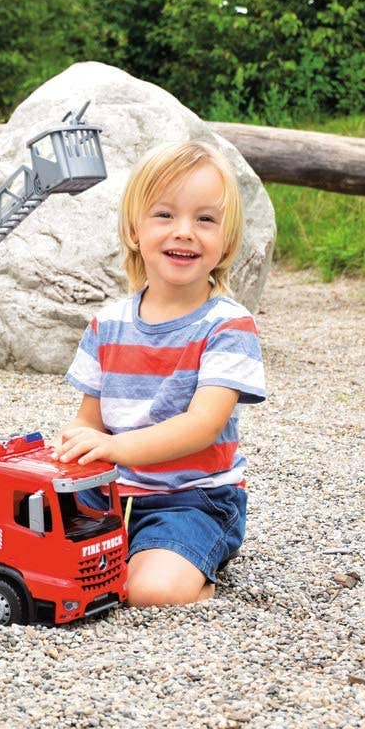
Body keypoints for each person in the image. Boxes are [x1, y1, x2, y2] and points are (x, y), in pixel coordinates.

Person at [55, 140, 266, 606]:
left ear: (227, 241)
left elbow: (202, 427)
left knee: (148, 591)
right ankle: (148, 554)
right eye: (165, 215)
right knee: (40, 560)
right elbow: (90, 417)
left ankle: (197, 568)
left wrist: (116, 447)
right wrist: (77, 441)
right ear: (134, 231)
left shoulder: (228, 326)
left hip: (192, 497)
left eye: (205, 219)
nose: (185, 232)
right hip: (113, 494)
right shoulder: (107, 324)